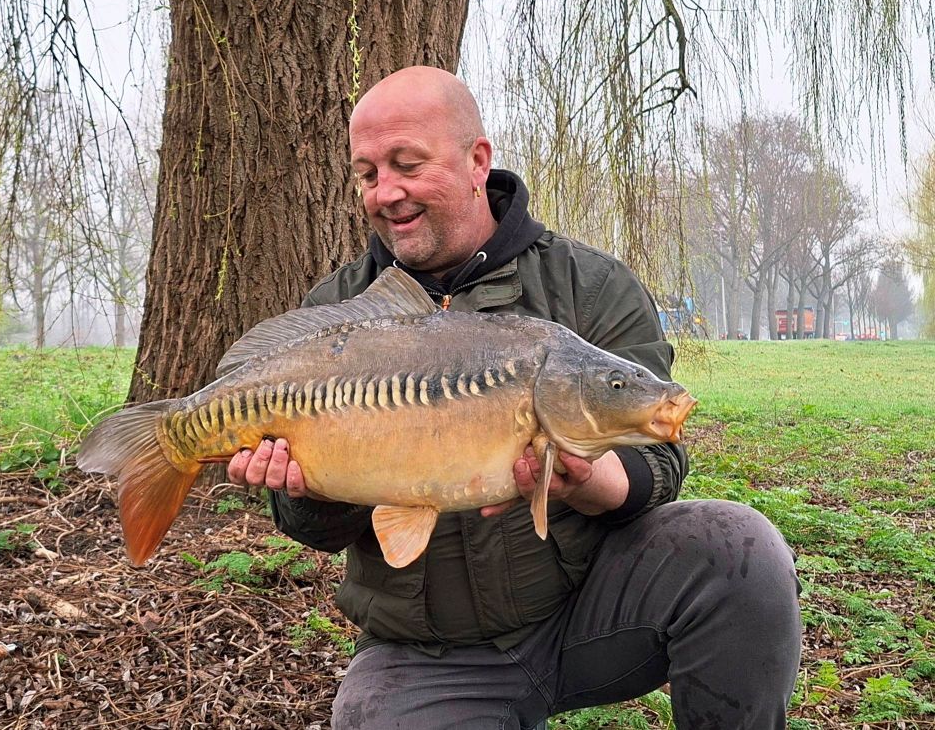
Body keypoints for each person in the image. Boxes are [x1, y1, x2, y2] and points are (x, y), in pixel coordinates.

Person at [228, 66, 801, 729]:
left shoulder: (588, 285)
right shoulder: (337, 319)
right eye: (367, 174)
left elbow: (660, 457)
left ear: (477, 161)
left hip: (587, 608)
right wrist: (307, 490)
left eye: (407, 165)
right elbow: (312, 529)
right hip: (428, 652)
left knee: (740, 550)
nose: (386, 192)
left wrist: (587, 480)